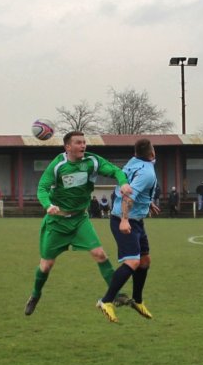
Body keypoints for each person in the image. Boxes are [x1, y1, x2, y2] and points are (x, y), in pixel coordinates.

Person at [24, 131, 133, 316]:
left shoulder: (92, 161)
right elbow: (42, 188)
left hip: (80, 219)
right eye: (78, 143)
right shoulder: (58, 165)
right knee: (46, 265)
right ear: (68, 147)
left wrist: (122, 182)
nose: (83, 145)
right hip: (57, 222)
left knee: (100, 254)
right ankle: (35, 295)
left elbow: (116, 170)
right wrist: (48, 205)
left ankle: (115, 294)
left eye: (84, 142)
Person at [96, 138, 159, 323]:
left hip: (136, 220)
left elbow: (133, 186)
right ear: (152, 153)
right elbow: (128, 195)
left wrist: (148, 202)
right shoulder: (147, 172)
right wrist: (124, 220)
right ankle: (106, 301)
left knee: (145, 261)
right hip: (125, 219)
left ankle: (137, 301)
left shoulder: (133, 162)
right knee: (133, 261)